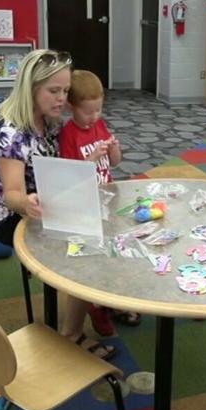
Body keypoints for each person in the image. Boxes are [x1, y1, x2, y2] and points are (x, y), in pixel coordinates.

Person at [0, 49, 116, 360]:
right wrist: (28, 202)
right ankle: (73, 332)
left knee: (110, 221)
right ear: (30, 88)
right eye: (54, 91)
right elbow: (11, 194)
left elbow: (60, 167)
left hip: (51, 202)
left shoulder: (49, 122)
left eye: (65, 91)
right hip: (14, 215)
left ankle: (99, 299)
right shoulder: (8, 133)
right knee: (86, 246)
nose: (62, 99)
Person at [59, 70, 141, 336]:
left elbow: (114, 163)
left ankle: (111, 300)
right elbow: (70, 177)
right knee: (93, 256)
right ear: (71, 107)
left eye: (98, 110)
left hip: (107, 201)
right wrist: (91, 158)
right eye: (88, 112)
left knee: (114, 250)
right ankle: (94, 304)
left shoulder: (100, 126)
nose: (94, 117)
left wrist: (114, 149)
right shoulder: (68, 134)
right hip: (84, 205)